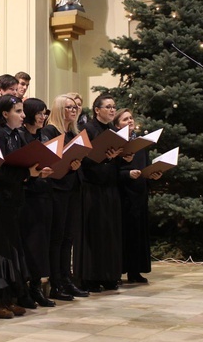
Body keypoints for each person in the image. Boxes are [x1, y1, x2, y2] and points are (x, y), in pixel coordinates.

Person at [0, 95, 49, 318]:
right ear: (5, 114)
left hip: (11, 201)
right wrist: (28, 173)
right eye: (18, 111)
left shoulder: (17, 134)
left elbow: (25, 162)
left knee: (10, 251)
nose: (23, 115)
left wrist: (38, 170)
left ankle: (7, 298)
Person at [41, 94, 89, 300]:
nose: (74, 110)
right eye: (69, 107)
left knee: (68, 236)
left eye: (75, 108)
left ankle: (66, 279)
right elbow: (49, 161)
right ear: (60, 110)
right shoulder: (50, 131)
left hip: (72, 187)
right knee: (58, 237)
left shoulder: (72, 132)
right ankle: (56, 282)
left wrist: (75, 164)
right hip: (57, 188)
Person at [76, 93, 122, 292]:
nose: (112, 110)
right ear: (97, 110)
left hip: (110, 185)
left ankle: (109, 275)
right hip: (92, 186)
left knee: (109, 232)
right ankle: (91, 277)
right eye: (108, 107)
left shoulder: (113, 130)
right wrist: (103, 157)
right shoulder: (88, 129)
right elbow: (82, 158)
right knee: (95, 233)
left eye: (114, 107)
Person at [113, 108, 161, 284]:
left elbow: (145, 166)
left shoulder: (139, 142)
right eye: (125, 119)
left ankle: (135, 271)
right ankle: (117, 272)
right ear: (117, 125)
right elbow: (112, 170)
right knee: (123, 234)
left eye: (131, 118)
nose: (130, 121)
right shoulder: (115, 143)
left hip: (139, 192)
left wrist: (153, 174)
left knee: (137, 234)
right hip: (122, 193)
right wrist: (127, 174)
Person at [19, 98, 56, 307]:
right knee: (30, 244)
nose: (43, 117)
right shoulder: (21, 136)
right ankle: (25, 289)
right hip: (28, 195)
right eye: (40, 113)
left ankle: (36, 286)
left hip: (44, 193)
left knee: (42, 244)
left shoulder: (43, 135)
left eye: (45, 113)